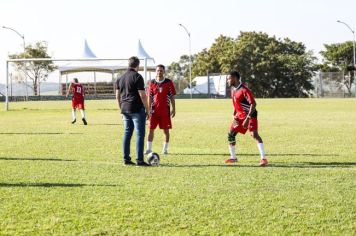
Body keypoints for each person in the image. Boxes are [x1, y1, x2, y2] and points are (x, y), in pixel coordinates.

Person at [225, 70, 268, 166]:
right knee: (231, 134)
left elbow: (253, 104)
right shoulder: (233, 89)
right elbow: (236, 105)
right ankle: (233, 158)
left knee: (254, 135)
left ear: (235, 78)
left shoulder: (244, 89)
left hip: (250, 115)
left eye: (229, 78)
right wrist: (234, 117)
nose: (227, 81)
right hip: (239, 116)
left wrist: (247, 118)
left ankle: (263, 159)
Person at [116, 56, 150, 166]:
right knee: (140, 134)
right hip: (136, 108)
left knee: (127, 133)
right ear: (138, 65)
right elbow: (142, 95)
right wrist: (148, 110)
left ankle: (126, 159)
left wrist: (120, 108)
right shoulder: (137, 76)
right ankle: (139, 160)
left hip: (124, 108)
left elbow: (117, 96)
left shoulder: (120, 78)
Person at [145, 64, 176, 155]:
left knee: (166, 131)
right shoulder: (151, 83)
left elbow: (172, 97)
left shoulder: (168, 82)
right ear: (156, 71)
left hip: (165, 112)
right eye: (158, 70)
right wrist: (148, 109)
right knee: (150, 130)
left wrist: (174, 109)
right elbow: (149, 97)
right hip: (153, 112)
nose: (159, 72)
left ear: (164, 71)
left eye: (161, 70)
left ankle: (165, 149)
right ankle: (148, 149)